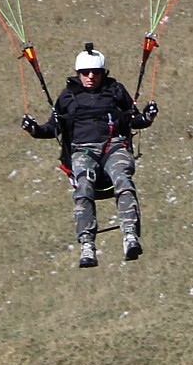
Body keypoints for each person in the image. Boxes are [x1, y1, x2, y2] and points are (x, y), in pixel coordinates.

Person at [22, 42, 156, 266]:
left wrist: (148, 117)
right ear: (78, 73)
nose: (90, 76)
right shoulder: (68, 98)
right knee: (83, 186)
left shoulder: (115, 92)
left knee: (122, 179)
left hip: (114, 146)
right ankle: (87, 245)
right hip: (82, 150)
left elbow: (134, 120)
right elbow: (53, 127)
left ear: (103, 73)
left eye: (95, 72)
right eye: (85, 72)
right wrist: (34, 129)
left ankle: (130, 235)